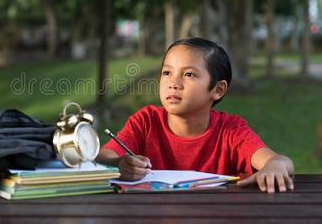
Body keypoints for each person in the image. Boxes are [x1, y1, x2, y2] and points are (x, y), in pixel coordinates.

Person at [96, 37, 294, 193]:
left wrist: (275, 166)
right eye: (167, 73)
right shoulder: (146, 122)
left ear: (218, 89)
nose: (173, 83)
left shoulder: (230, 131)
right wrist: (119, 164)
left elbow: (280, 161)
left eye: (188, 74)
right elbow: (103, 157)